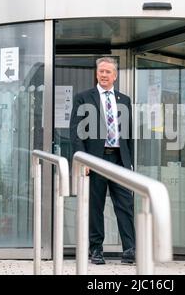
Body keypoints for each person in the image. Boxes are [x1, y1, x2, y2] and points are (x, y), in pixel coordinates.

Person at [70, 57, 135, 265]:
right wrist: (83, 160)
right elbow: (76, 132)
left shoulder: (124, 100)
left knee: (125, 205)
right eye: (101, 71)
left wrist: (130, 162)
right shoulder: (83, 98)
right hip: (95, 160)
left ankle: (130, 250)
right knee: (95, 207)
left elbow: (128, 134)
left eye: (108, 72)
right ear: (96, 74)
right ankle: (96, 250)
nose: (104, 75)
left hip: (118, 159)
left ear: (115, 76)